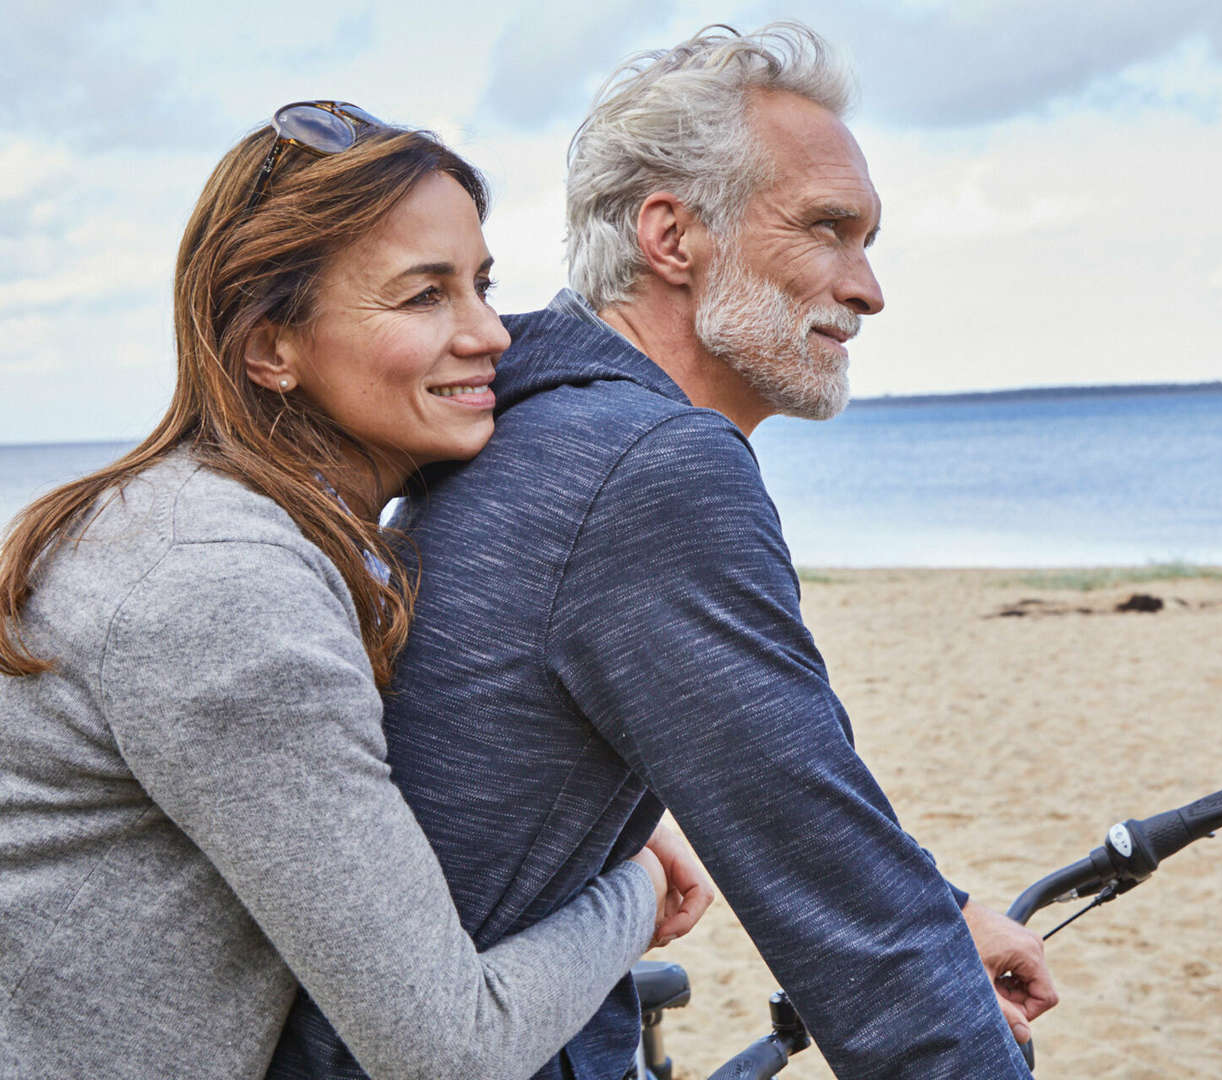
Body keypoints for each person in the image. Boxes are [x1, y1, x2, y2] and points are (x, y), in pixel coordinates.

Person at [279, 24, 1059, 1080]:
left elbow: (786, 782)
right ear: (671, 236)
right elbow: (832, 889)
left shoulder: (531, 425)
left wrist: (948, 909)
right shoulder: (650, 465)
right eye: (828, 229)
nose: (867, 288)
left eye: (867, 240)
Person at [0, 101, 711, 1080]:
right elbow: (449, 1048)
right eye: (424, 297)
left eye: (482, 285)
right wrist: (632, 889)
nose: (491, 333)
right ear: (271, 349)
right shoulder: (224, 594)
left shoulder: (182, 519)